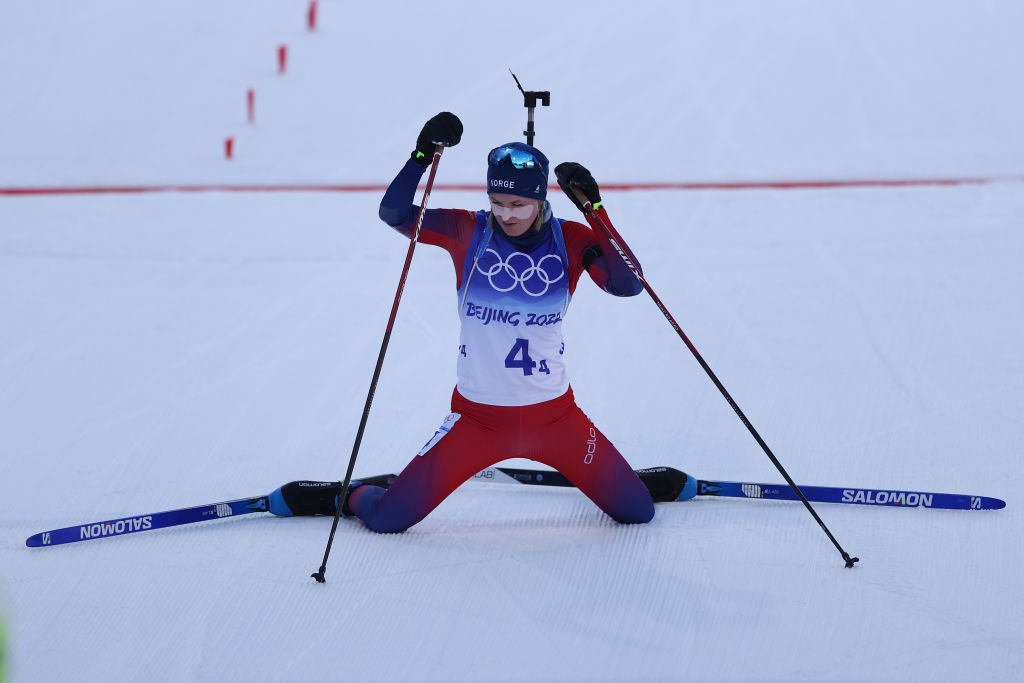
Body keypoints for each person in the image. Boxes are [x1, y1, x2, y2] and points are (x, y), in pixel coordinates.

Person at [268, 112, 690, 531]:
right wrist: (420, 156)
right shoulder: (467, 230)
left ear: (541, 199)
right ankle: (347, 494)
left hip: (557, 419)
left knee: (638, 511)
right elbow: (393, 213)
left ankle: (624, 477)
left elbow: (628, 284)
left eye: (519, 204)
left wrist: (596, 211)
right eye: (498, 202)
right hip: (478, 421)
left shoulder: (571, 240)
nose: (506, 214)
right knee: (386, 518)